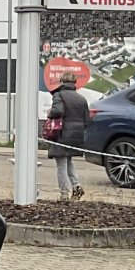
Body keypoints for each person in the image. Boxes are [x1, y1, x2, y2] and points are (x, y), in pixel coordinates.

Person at [47, 71, 90, 199]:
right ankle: (77, 187)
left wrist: (50, 113)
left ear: (62, 81)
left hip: (61, 134)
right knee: (68, 162)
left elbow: (57, 111)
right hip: (76, 136)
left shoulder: (59, 95)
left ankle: (64, 195)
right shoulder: (81, 99)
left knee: (61, 165)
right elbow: (87, 120)